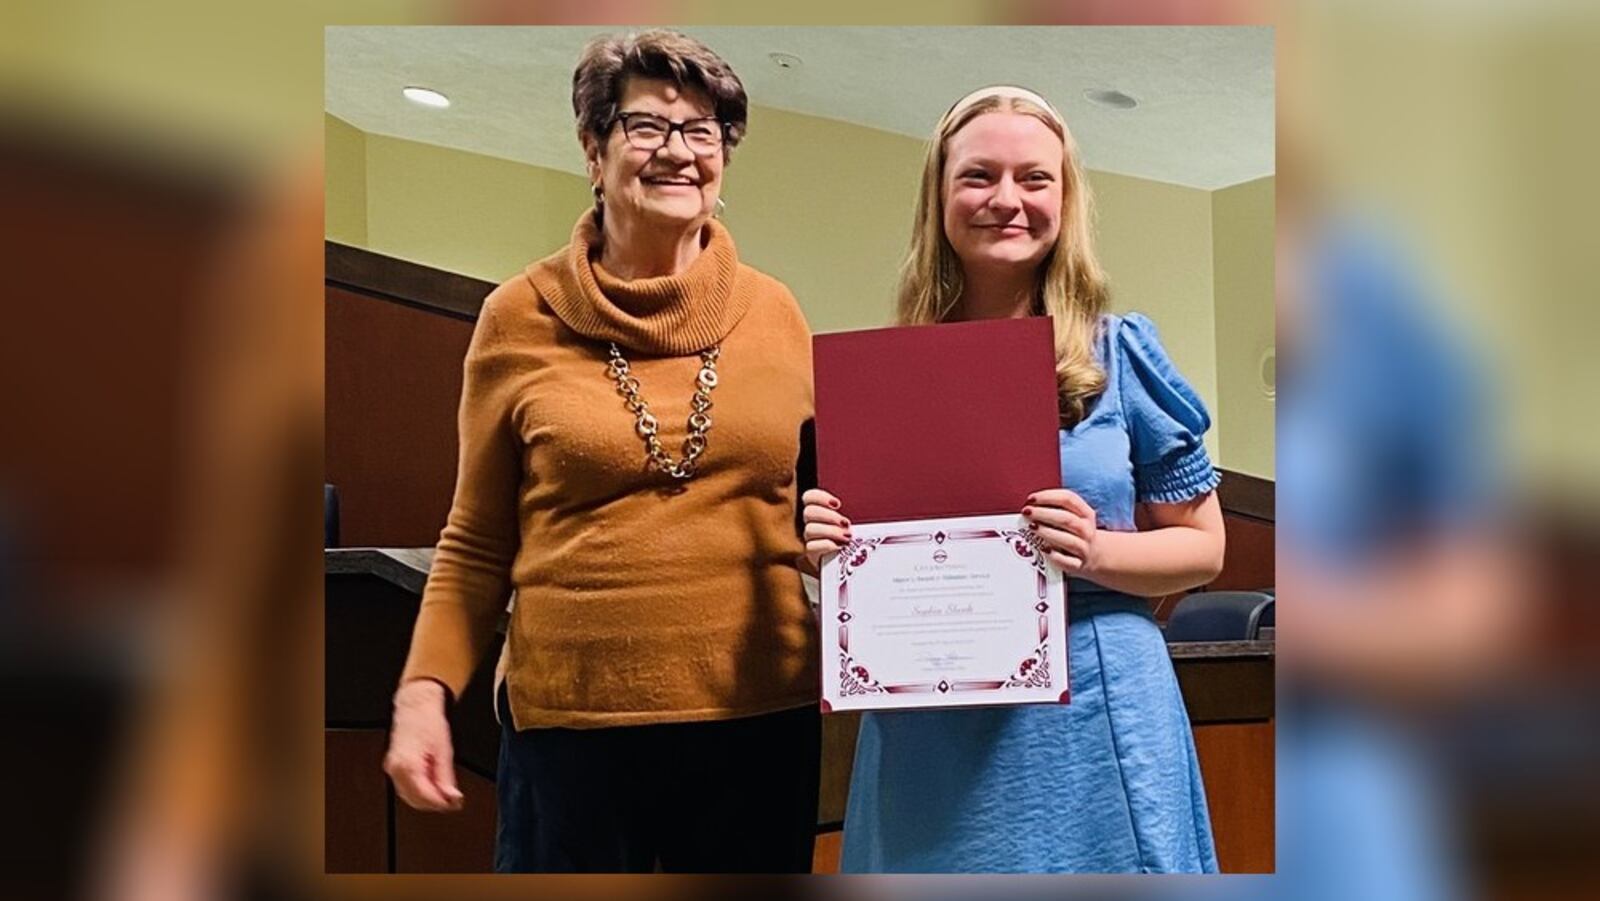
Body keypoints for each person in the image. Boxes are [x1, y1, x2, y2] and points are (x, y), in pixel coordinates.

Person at [382, 29, 820, 874]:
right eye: (648, 126)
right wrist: (423, 693)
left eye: (702, 131)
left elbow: (826, 507)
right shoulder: (516, 316)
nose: (679, 152)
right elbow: (474, 544)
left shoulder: (778, 314)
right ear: (593, 147)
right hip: (572, 736)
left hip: (759, 722)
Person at [802, 85, 1226, 873]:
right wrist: (830, 547)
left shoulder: (1119, 353)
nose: (1007, 199)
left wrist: (1094, 550)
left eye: (1035, 178)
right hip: (927, 723)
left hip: (1095, 715)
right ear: (940, 197)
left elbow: (1204, 548)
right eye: (978, 176)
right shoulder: (883, 378)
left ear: (1066, 200)